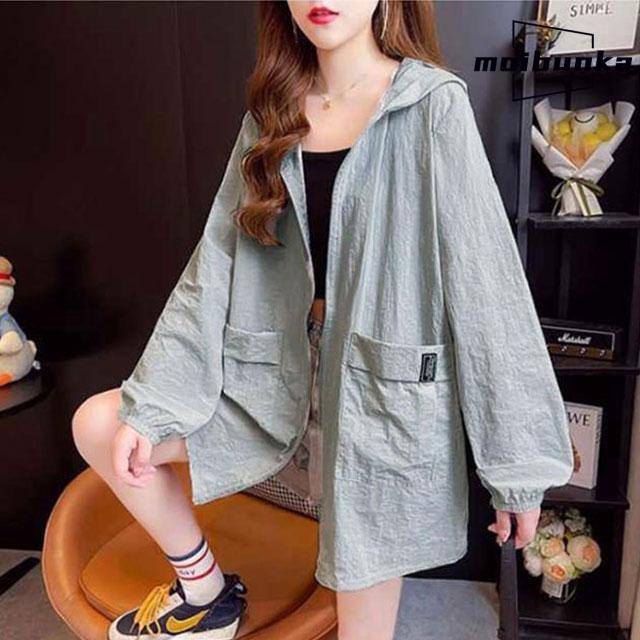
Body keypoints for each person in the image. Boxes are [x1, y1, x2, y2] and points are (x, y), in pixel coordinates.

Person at [71, 2, 575, 639]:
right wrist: (155, 406)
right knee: (100, 425)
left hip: (376, 406)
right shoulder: (271, 115)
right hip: (270, 393)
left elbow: (487, 288)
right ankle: (207, 592)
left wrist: (518, 470)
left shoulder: (431, 105)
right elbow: (213, 269)